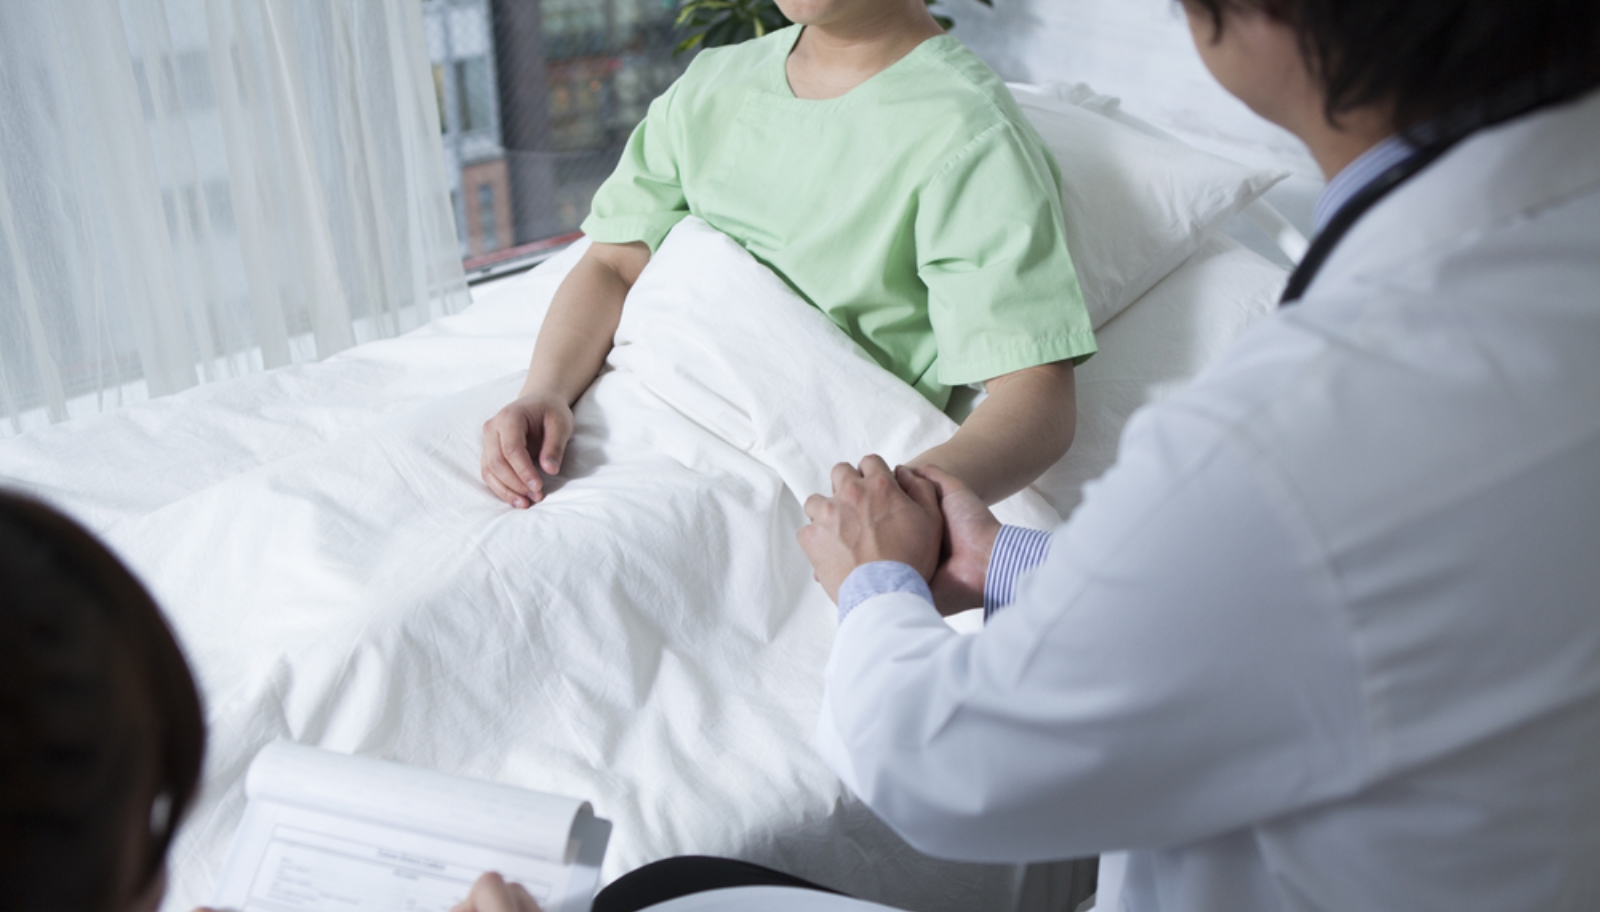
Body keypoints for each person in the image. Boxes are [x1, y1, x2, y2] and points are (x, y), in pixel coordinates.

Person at [796, 0, 1600, 909]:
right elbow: (1379, 592)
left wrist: (874, 584)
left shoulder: (1281, 441)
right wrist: (1010, 563)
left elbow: (943, 764)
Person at [480, 0, 1097, 511]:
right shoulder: (712, 83)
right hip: (616, 419)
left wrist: (907, 500)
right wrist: (545, 392)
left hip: (771, 477)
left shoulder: (968, 134)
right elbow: (612, 263)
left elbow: (1033, 389)